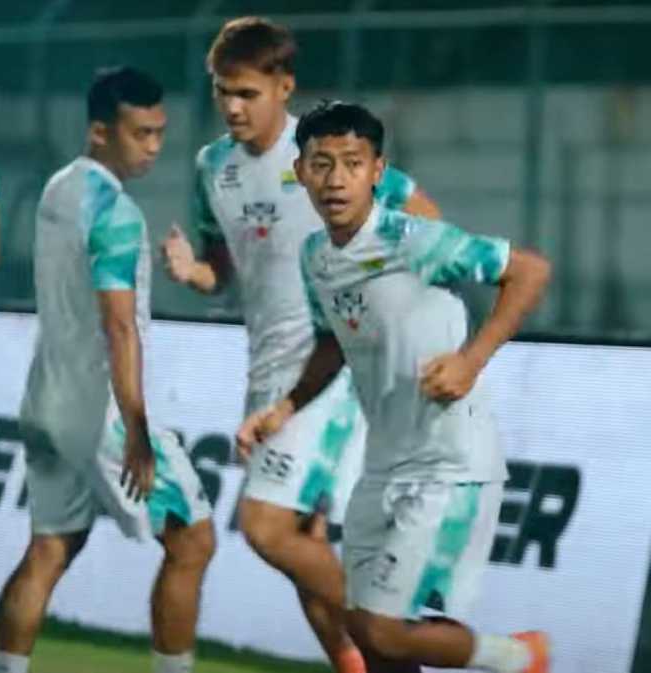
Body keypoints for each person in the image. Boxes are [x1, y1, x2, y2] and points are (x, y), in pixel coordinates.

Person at [160, 16, 440, 672]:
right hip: (265, 371)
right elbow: (220, 270)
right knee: (304, 549)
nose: (232, 106)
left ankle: (399, 634)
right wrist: (190, 271)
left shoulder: (323, 154)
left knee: (264, 526)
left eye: (248, 93)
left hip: (329, 370)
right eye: (222, 91)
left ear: (284, 87)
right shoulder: (213, 169)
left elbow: (425, 219)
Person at [238, 100, 551, 673]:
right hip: (381, 468)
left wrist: (470, 361)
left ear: (377, 171)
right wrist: (283, 408)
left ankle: (517, 657)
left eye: (352, 164)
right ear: (301, 172)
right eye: (322, 163)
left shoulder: (412, 240)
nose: (336, 179)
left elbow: (529, 271)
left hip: (447, 464)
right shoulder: (317, 257)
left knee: (387, 629)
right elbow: (332, 342)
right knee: (368, 631)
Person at [0, 66, 215, 673]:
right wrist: (136, 427)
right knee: (194, 540)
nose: (153, 147)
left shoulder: (58, 189)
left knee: (50, 549)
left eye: (159, 132)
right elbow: (119, 326)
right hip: (102, 413)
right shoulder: (117, 213)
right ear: (98, 131)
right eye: (140, 133)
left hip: (44, 401)